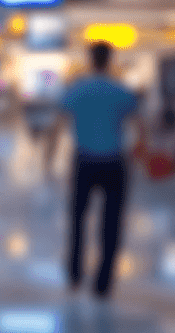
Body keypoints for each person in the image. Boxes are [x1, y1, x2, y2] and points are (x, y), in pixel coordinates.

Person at [56, 41, 143, 300]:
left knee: (77, 220)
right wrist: (143, 154)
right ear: (111, 60)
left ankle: (74, 276)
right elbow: (140, 126)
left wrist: (47, 159)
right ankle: (103, 283)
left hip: (83, 162)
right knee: (111, 223)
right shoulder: (122, 91)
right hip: (115, 162)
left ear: (89, 59)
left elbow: (57, 125)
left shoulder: (76, 90)